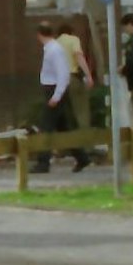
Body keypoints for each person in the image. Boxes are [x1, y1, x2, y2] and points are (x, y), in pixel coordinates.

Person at [35, 21, 89, 173]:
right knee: (64, 127)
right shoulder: (52, 48)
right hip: (54, 90)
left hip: (54, 91)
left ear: (39, 35)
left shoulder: (54, 50)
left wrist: (56, 96)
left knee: (45, 127)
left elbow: (63, 74)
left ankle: (43, 163)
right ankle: (82, 157)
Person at [56, 22, 96, 132]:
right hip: (71, 78)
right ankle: (85, 141)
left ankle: (68, 142)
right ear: (71, 32)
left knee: (66, 112)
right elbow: (78, 56)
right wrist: (88, 76)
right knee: (81, 110)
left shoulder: (54, 43)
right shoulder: (73, 39)